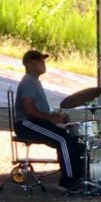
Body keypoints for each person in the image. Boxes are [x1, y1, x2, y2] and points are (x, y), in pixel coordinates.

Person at [14, 49, 86, 192]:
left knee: (71, 138)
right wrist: (51, 118)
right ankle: (67, 182)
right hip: (26, 123)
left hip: (34, 122)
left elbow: (38, 109)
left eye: (43, 61)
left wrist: (55, 116)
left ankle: (78, 176)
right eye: (39, 61)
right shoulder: (29, 81)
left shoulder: (34, 82)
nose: (43, 64)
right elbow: (28, 110)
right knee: (63, 139)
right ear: (29, 64)